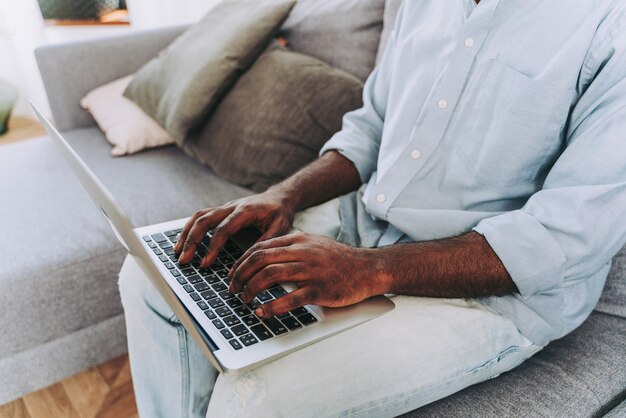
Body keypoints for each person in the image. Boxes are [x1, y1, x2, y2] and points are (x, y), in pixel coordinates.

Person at [118, 0, 626, 416]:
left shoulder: (610, 25)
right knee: (150, 277)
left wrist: (371, 270)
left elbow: (564, 240)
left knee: (252, 401)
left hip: (492, 297)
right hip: (362, 222)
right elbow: (372, 126)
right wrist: (284, 195)